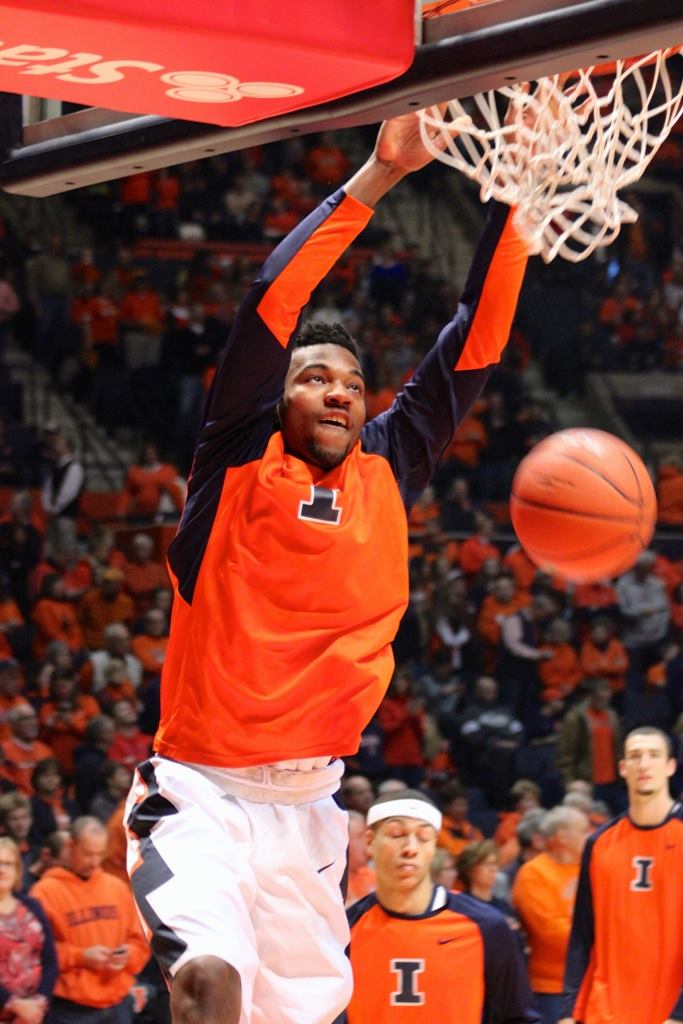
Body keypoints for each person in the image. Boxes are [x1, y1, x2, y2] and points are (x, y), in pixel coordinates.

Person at [124, 111, 529, 1024]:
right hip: (201, 791)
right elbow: (270, 300)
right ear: (274, 400)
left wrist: (515, 190)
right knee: (206, 977)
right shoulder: (236, 458)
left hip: (312, 807)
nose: (339, 389)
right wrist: (379, 175)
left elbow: (475, 339)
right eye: (313, 377)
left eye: (351, 380)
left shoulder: (387, 465)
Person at [341, 790, 538, 1023]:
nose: (410, 848)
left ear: (434, 845)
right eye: (396, 834)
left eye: (423, 837)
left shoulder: (486, 927)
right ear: (370, 841)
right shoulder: (344, 932)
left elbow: (519, 1018)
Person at [560, 726, 683, 1024]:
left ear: (670, 766)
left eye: (653, 755)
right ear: (623, 768)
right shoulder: (599, 843)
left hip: (669, 1012)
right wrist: (567, 1012)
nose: (644, 764)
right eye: (635, 756)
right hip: (606, 1011)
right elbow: (582, 934)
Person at [31, 817, 149, 1024]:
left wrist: (128, 955)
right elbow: (37, 953)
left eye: (99, 854)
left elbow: (140, 941)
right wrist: (81, 957)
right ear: (70, 845)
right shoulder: (44, 892)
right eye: (87, 854)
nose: (94, 862)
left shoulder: (117, 887)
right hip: (71, 1008)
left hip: (118, 1001)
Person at [512, 806, 589, 1024]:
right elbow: (550, 930)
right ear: (562, 836)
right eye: (583, 830)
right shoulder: (532, 873)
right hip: (551, 988)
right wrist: (598, 942)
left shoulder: (591, 869)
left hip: (591, 983)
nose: (589, 835)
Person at [0, 836, 57, 1024]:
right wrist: (14, 1005)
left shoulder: (32, 905)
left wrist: (39, 1004)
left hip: (37, 1014)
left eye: (8, 864)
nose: (2, 870)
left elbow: (50, 959)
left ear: (17, 870)